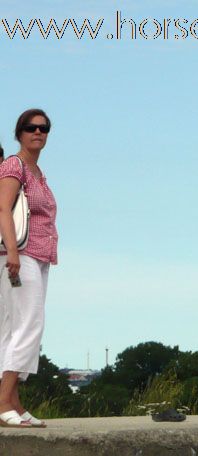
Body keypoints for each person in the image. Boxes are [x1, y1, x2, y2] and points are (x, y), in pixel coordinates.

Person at [0, 109, 58, 428]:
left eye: (44, 128)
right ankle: (2, 401)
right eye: (31, 127)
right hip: (20, 255)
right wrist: (11, 251)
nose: (38, 132)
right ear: (19, 132)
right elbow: (3, 208)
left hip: (40, 256)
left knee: (15, 328)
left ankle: (13, 403)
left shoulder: (38, 172)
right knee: (28, 326)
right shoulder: (14, 165)